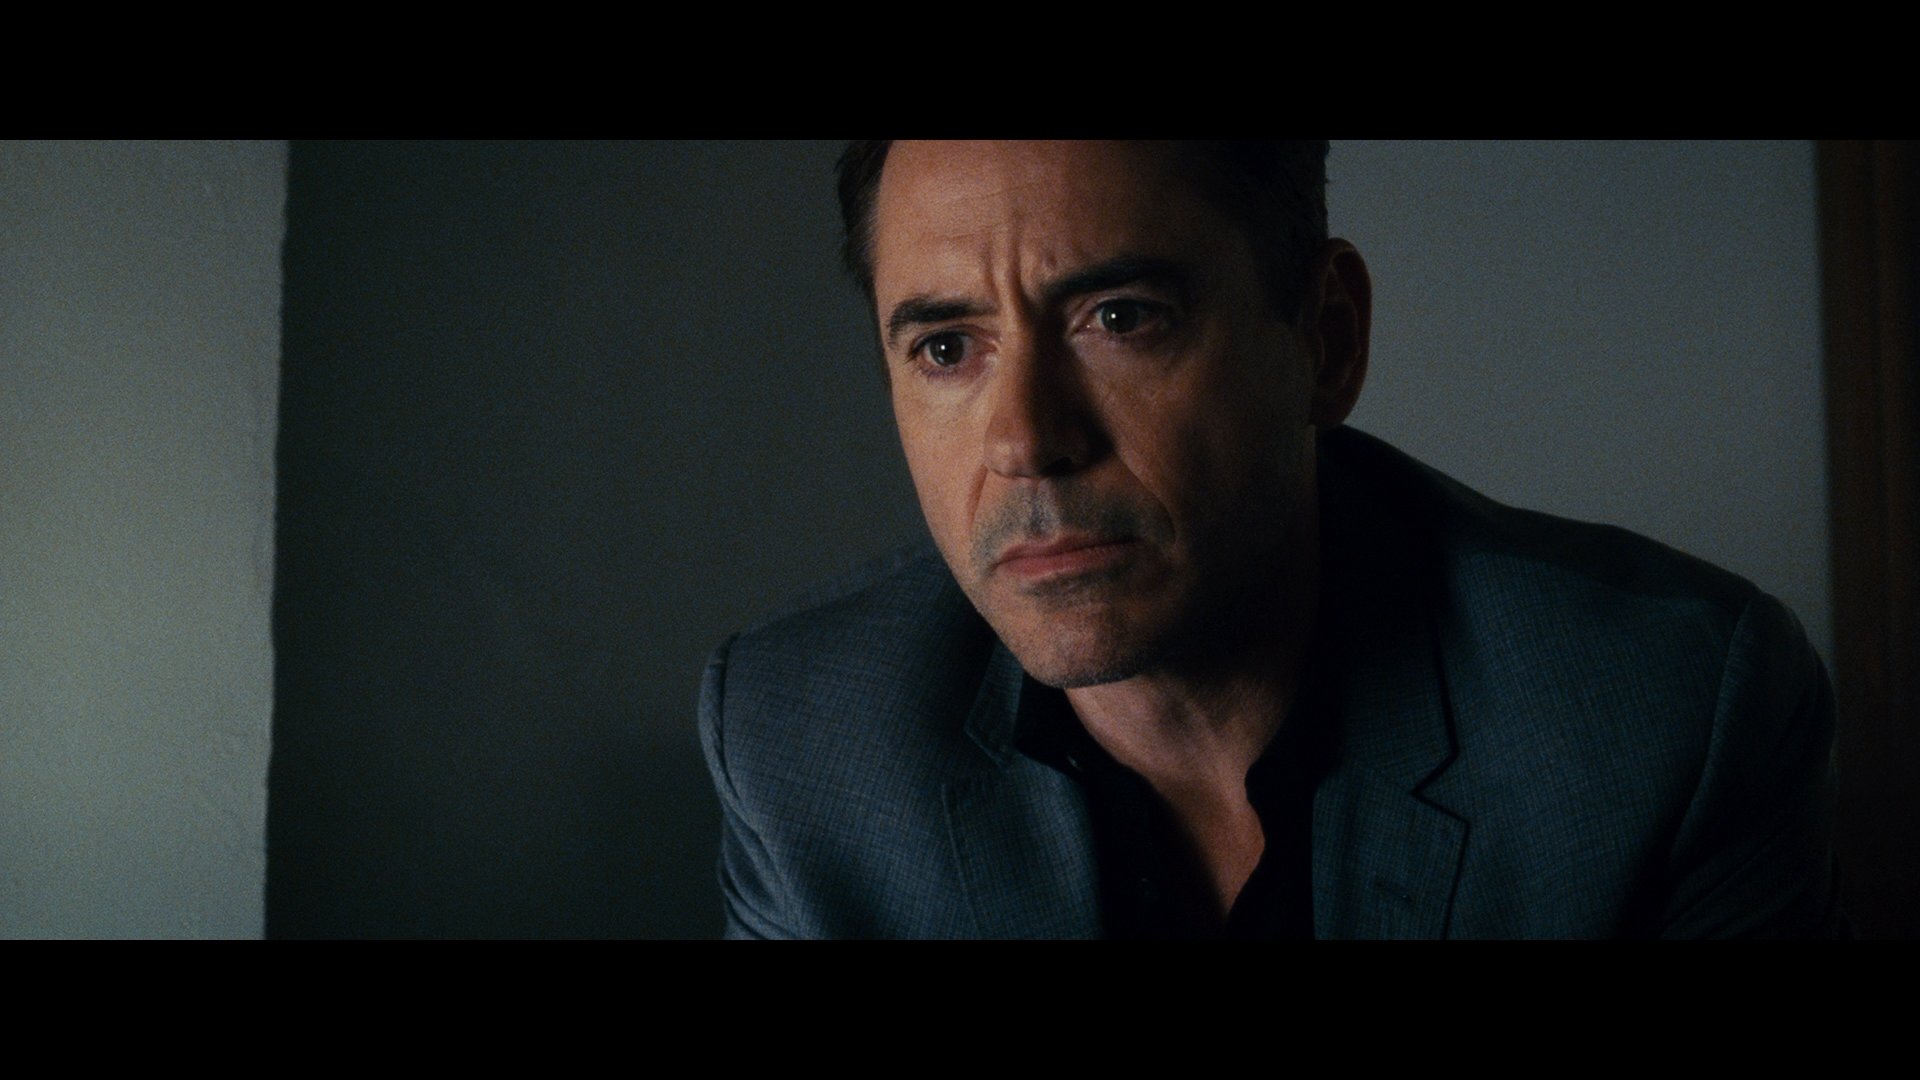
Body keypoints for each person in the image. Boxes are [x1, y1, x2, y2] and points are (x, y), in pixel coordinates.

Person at [697, 140, 1841, 938]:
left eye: (1119, 318)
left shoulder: (1665, 721)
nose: (1028, 442)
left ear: (1325, 340)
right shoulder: (798, 747)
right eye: (947, 348)